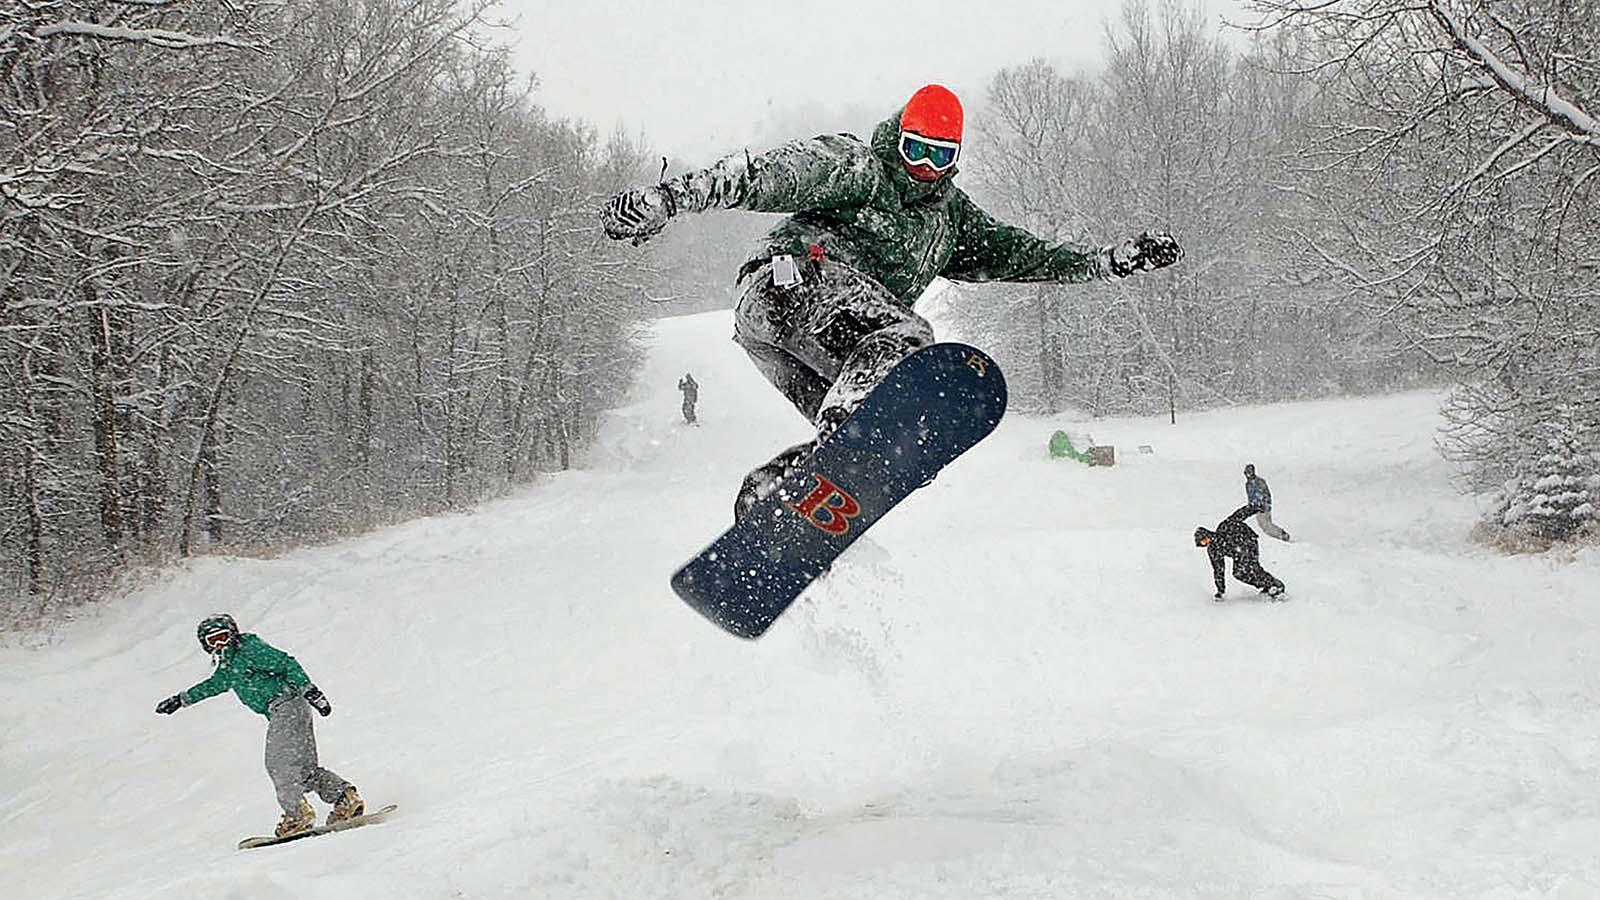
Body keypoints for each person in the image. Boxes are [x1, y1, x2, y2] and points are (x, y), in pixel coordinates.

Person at [600, 84, 1182, 521]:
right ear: (895, 137)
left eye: (936, 157)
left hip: (793, 345)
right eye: (912, 149)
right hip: (788, 286)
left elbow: (1027, 255)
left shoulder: (952, 221)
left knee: (890, 446)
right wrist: (667, 200)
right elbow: (761, 176)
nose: (920, 168)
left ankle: (776, 498)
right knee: (905, 343)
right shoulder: (857, 168)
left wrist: (1106, 261)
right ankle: (844, 427)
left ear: (954, 159)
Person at [155, 614, 364, 838]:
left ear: (233, 634)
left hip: (287, 704)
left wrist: (310, 690)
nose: (219, 644)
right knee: (303, 770)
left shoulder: (248, 649)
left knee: (279, 764)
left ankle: (297, 816)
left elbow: (286, 663)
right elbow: (214, 684)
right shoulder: (229, 664)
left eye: (223, 637)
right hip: (287, 709)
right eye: (212, 641)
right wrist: (181, 699)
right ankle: (344, 799)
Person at [1194, 505, 1286, 601]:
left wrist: (1254, 508)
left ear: (1208, 534)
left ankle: (1275, 584)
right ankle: (1265, 585)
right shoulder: (1213, 551)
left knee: (1250, 566)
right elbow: (1218, 570)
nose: (1207, 542)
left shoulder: (1223, 527)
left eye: (1205, 539)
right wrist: (1220, 591)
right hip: (1238, 553)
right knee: (1238, 573)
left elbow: (1239, 515)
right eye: (1203, 543)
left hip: (1248, 541)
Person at [1243, 463, 1291, 541]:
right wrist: (1251, 505)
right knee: (1263, 526)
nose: (1248, 475)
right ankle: (1279, 534)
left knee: (1266, 525)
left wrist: (1265, 504)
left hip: (1263, 507)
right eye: (1246, 473)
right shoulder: (1248, 484)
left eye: (1249, 472)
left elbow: (1266, 494)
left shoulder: (1259, 482)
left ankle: (1281, 534)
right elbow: (1251, 496)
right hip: (1256, 507)